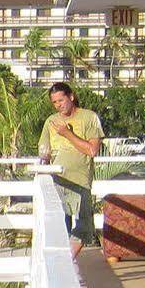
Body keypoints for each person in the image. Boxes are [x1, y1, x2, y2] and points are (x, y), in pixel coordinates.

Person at [39, 80, 103, 257]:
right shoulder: (51, 121)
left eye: (61, 100)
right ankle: (65, 261)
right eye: (55, 102)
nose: (58, 105)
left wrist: (67, 134)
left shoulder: (89, 117)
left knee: (85, 226)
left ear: (71, 97)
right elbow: (44, 151)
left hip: (81, 181)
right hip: (57, 182)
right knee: (59, 225)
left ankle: (66, 258)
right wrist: (43, 164)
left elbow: (92, 150)